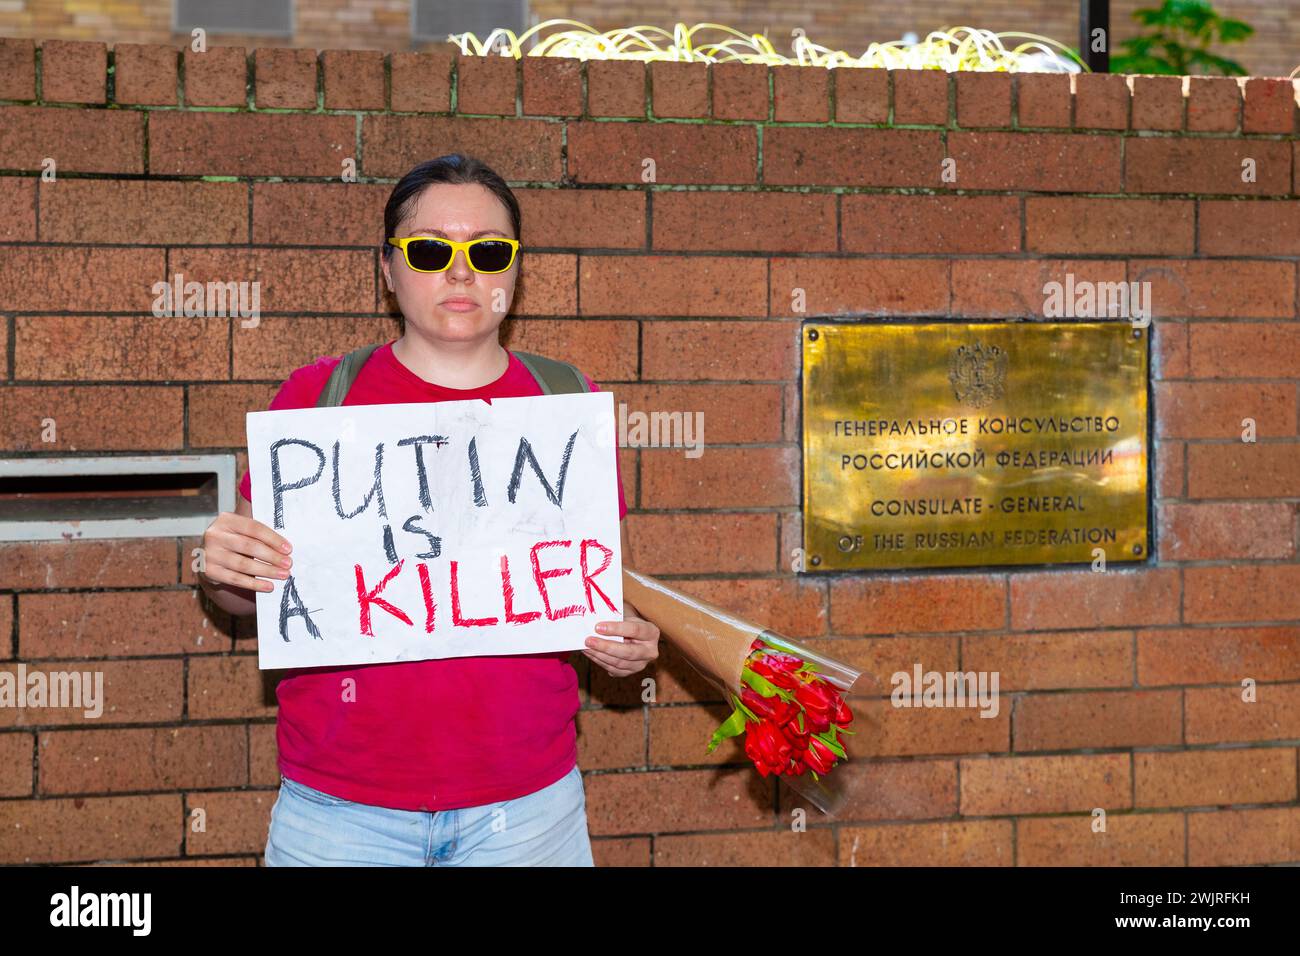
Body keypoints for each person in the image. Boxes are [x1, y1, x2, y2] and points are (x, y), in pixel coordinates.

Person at [197, 153, 660, 866]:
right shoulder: (317, 400)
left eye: (488, 250)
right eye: (430, 249)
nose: (461, 270)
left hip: (528, 811)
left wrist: (627, 645)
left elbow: (592, 587)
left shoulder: (565, 405)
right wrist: (223, 570)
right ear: (388, 268)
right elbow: (245, 595)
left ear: (515, 269)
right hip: (340, 814)